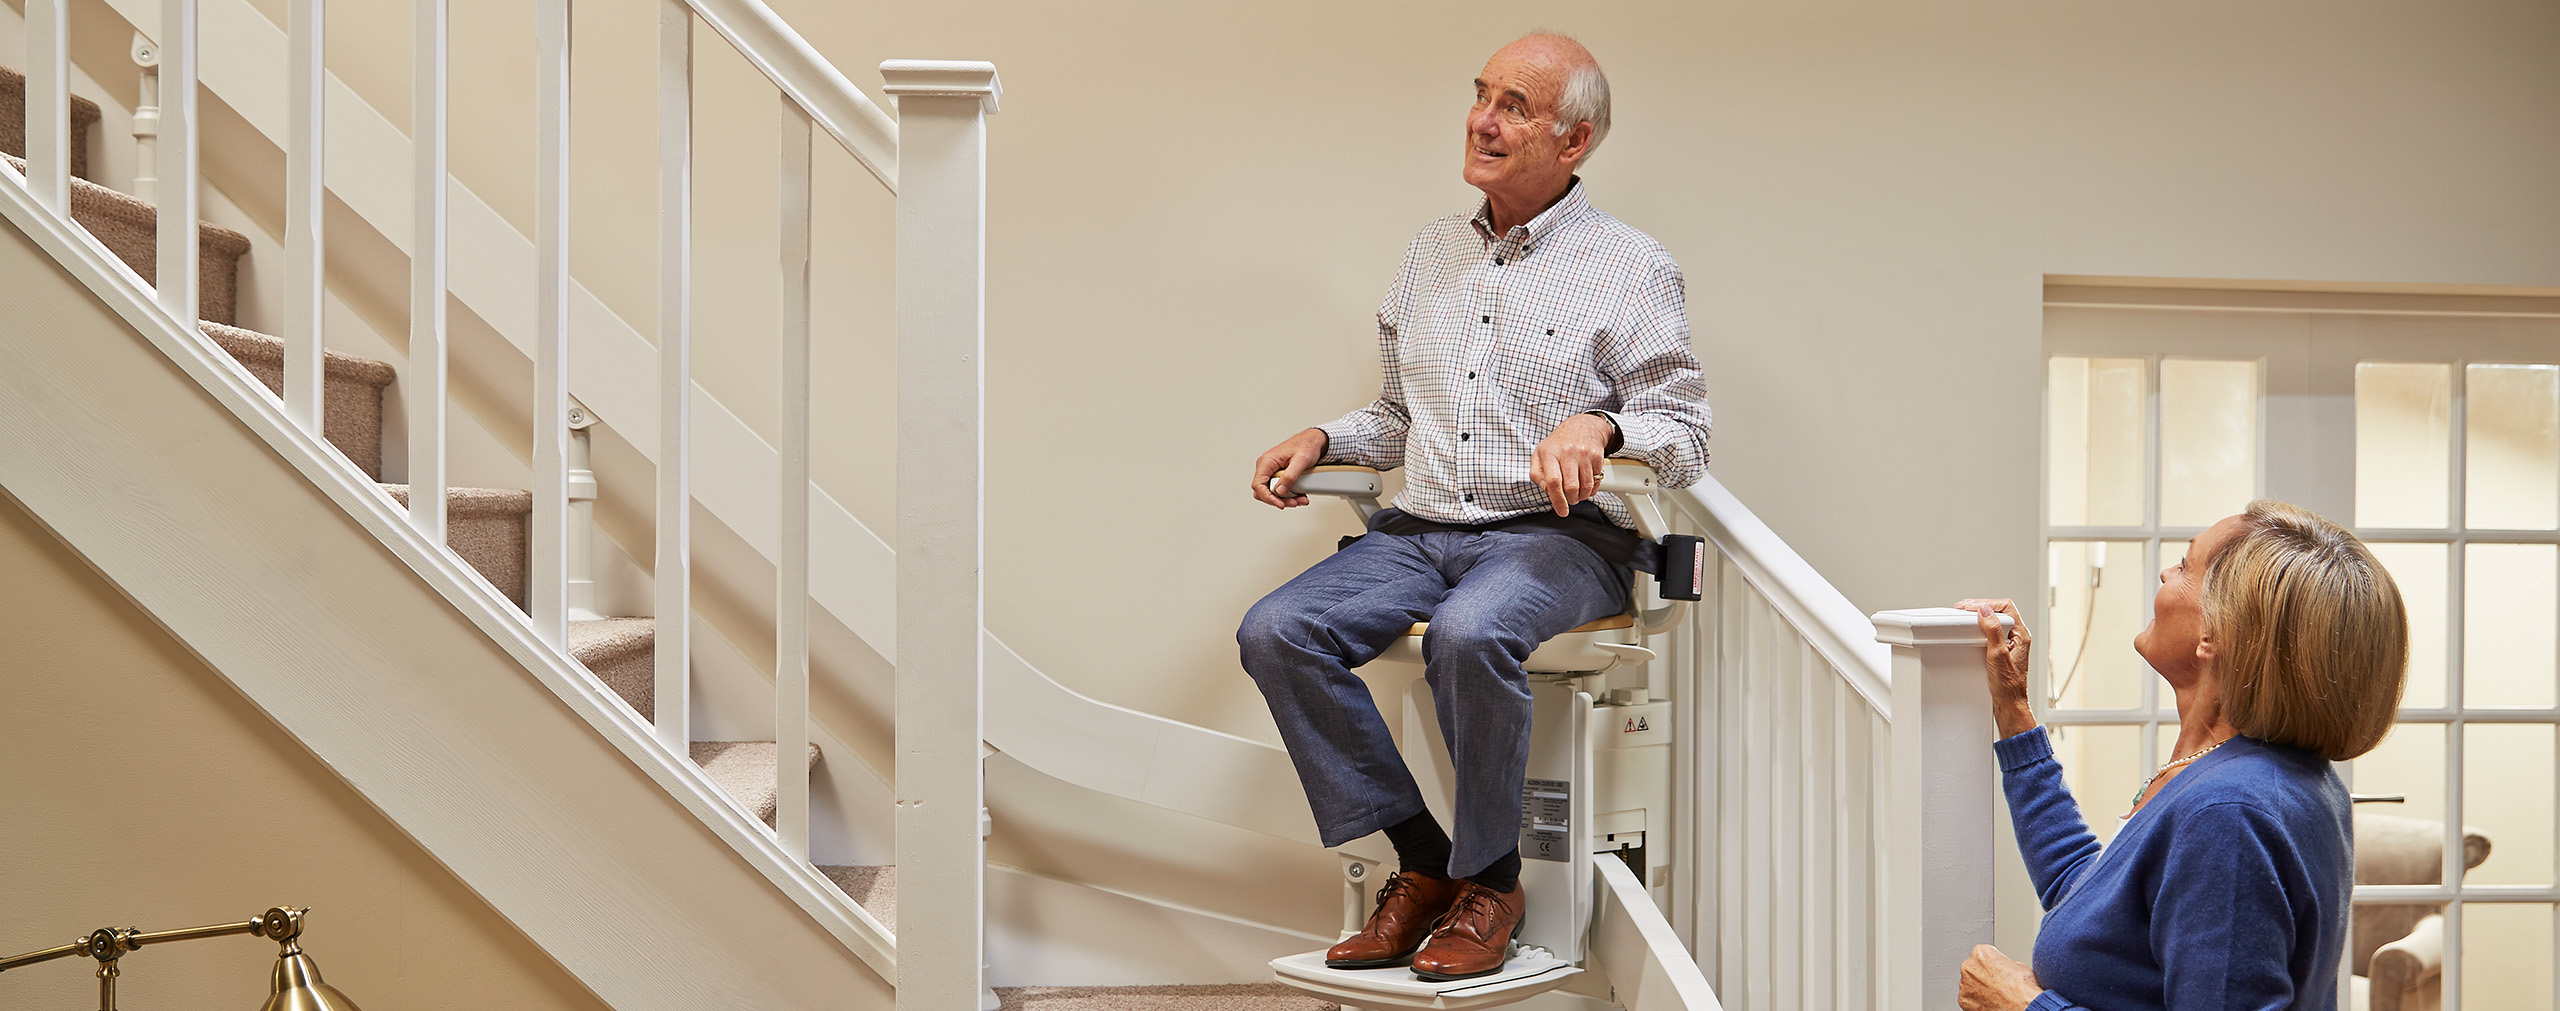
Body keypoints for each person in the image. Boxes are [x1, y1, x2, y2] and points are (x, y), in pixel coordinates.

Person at [1235, 33, 1712, 982]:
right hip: (1421, 530)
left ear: (1573, 141)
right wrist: (1327, 438)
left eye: (1516, 107)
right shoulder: (1431, 254)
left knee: (1469, 632)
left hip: (1556, 540)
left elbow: (1685, 431)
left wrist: (1602, 427)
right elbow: (1399, 414)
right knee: (1277, 629)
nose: (1483, 119)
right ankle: (1423, 862)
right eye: (1482, 95)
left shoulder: (1630, 264)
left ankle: (1491, 880)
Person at [1954, 500, 2410, 1011]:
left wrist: (2023, 1006)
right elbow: (2086, 899)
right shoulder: (2245, 776)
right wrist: (2014, 708)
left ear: (2218, 630)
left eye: (2186, 566)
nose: (2167, 573)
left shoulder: (2231, 814)